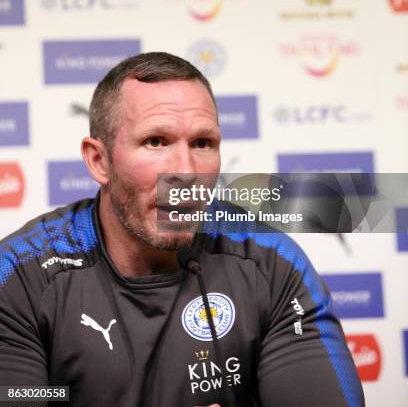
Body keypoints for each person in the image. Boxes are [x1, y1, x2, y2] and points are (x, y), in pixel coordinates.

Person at [0, 52, 364, 406]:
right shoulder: (20, 276)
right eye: (156, 141)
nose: (186, 170)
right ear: (99, 160)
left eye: (202, 143)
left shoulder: (272, 264)